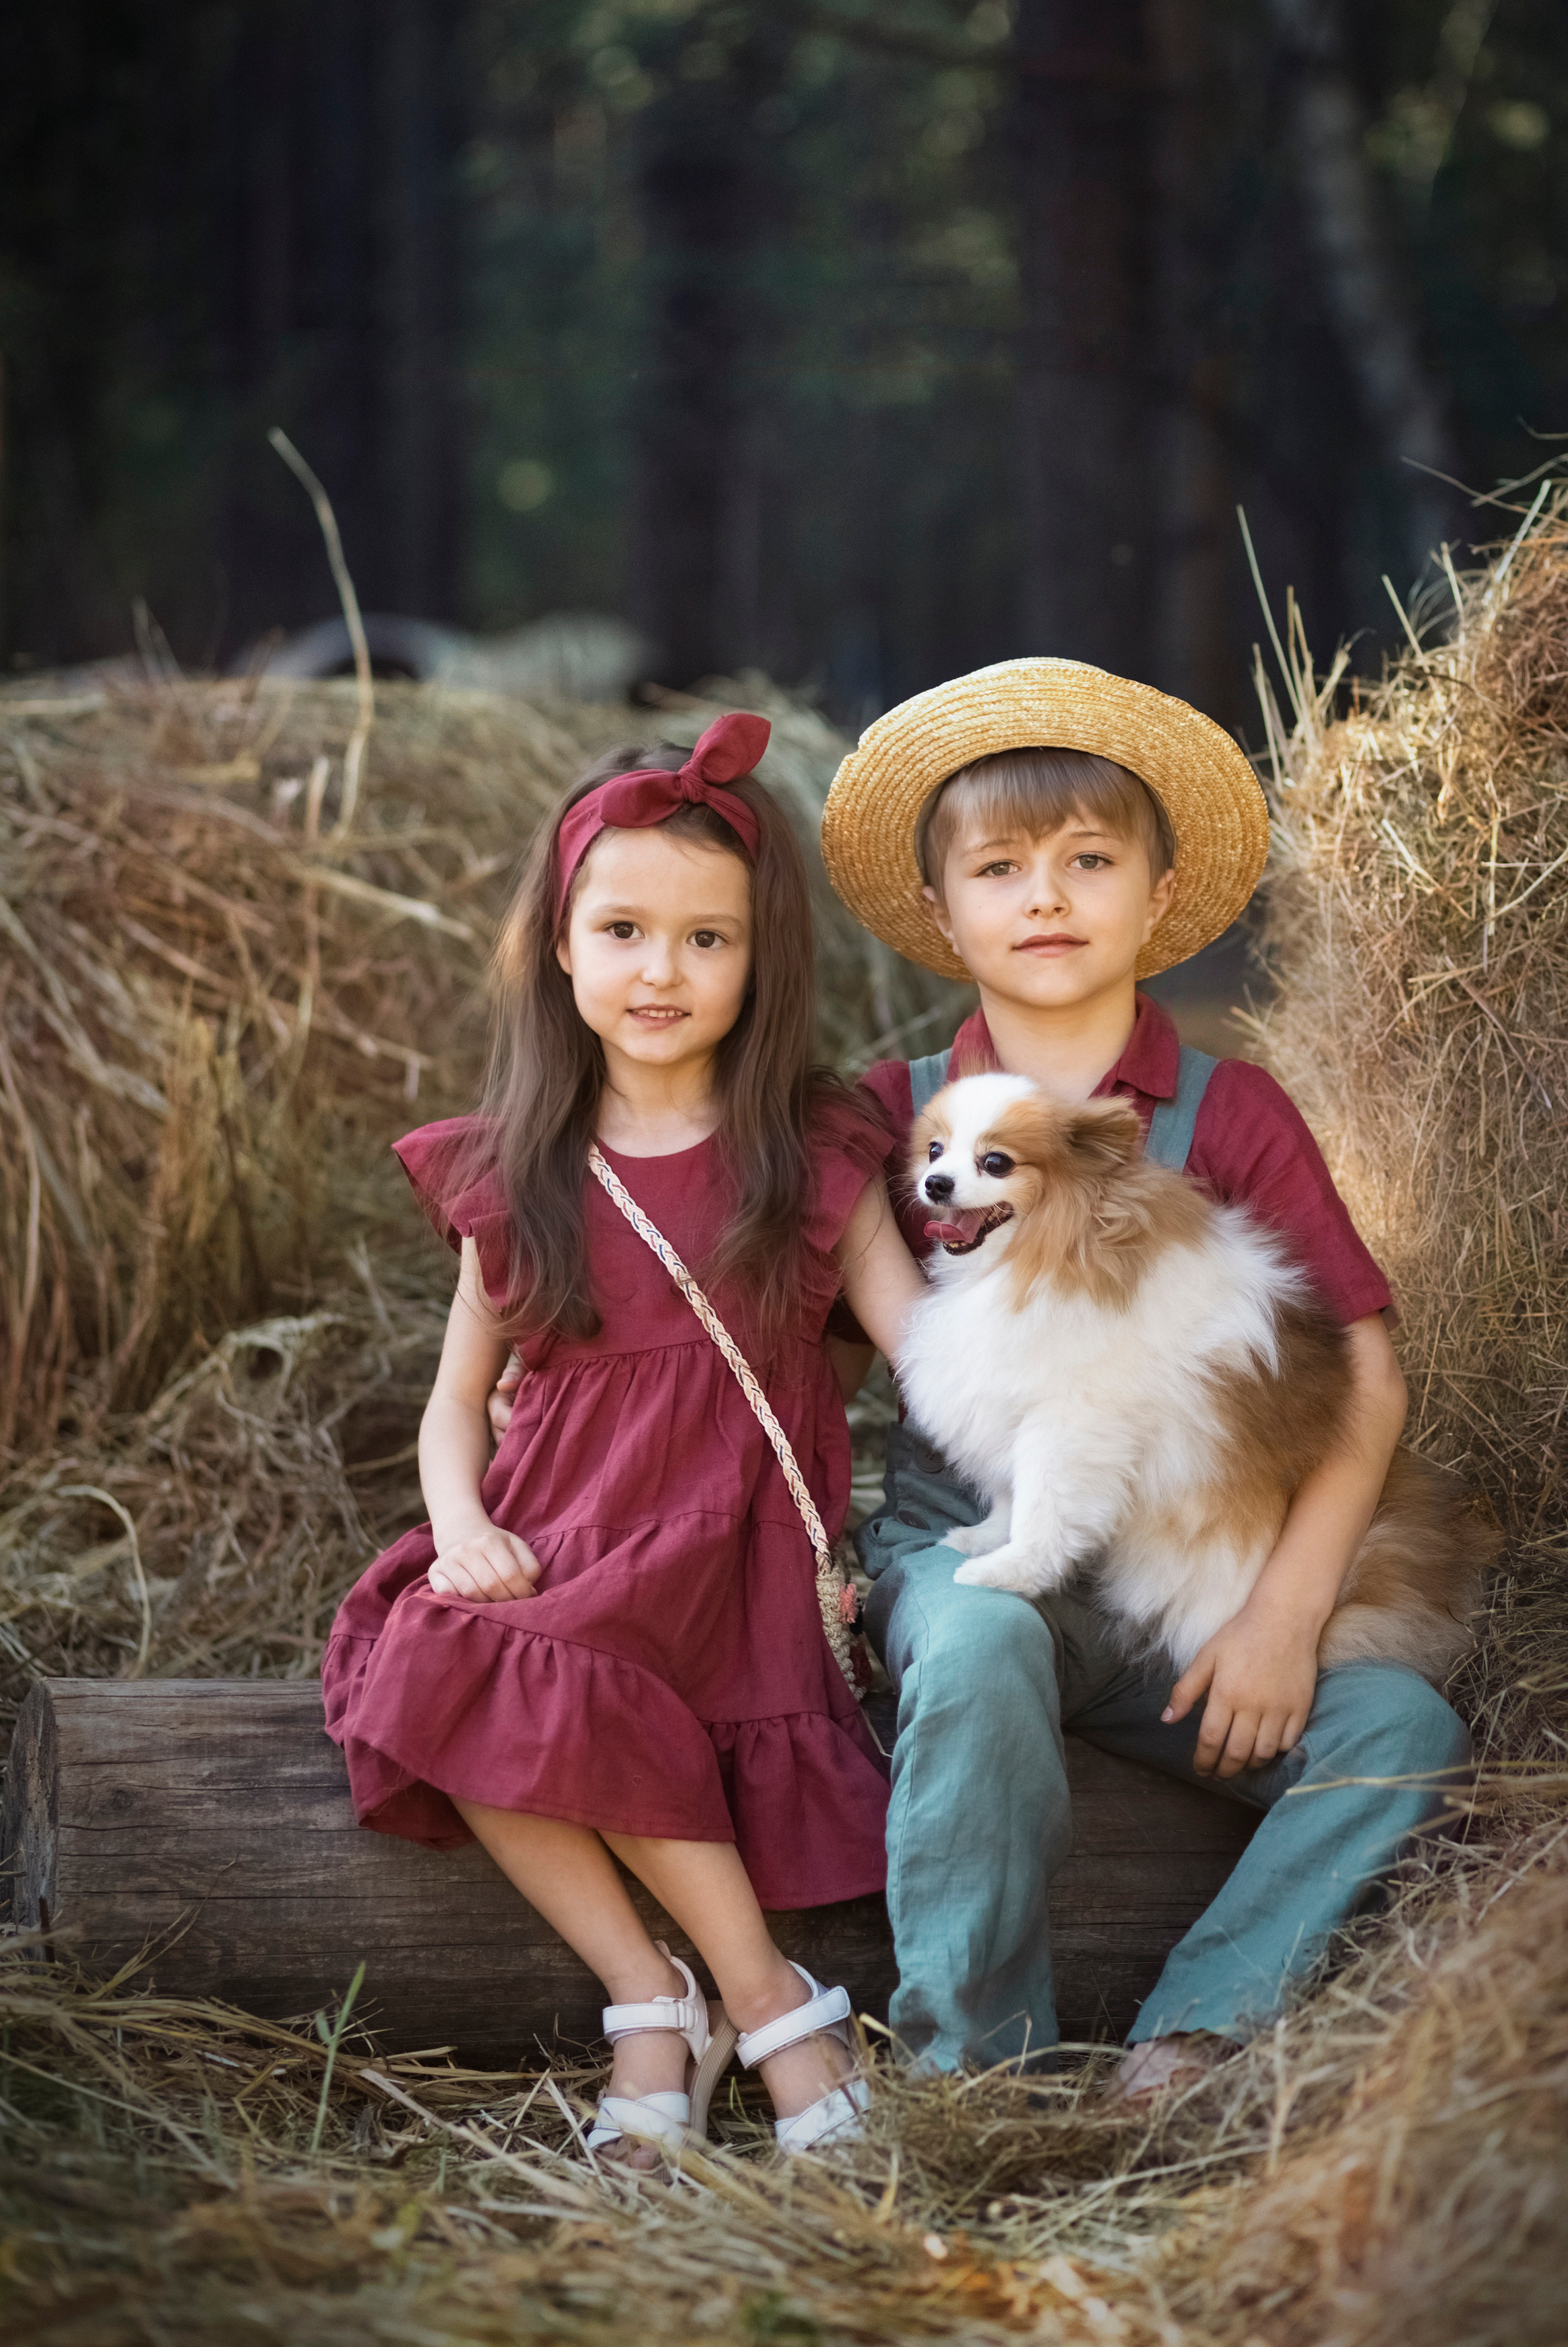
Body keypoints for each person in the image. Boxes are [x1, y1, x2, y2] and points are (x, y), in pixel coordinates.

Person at [816, 656, 1471, 2098]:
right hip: (976, 1552)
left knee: (1401, 1729)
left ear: (1158, 894)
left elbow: (1364, 1376)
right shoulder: (888, 1106)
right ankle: (969, 2073)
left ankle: (1191, 2034)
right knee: (983, 1645)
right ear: (942, 911)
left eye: (1087, 860)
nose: (1043, 896)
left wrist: (1285, 1614)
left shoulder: (1226, 1111)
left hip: (1188, 1574)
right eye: (999, 867)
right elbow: (802, 1328)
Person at [323, 713, 926, 2165]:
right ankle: (665, 1996)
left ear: (759, 963)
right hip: (559, 1533)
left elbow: (927, 1356)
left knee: (571, 1666)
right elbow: (456, 1400)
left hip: (723, 1550)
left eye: (707, 941)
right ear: (558, 945)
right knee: (433, 1655)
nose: (661, 971)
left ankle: (757, 2002)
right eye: (624, 929)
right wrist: (461, 1527)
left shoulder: (812, 1158)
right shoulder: (516, 1167)